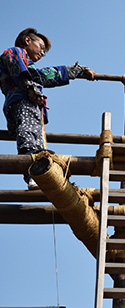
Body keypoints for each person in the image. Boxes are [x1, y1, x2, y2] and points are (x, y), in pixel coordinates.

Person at [0, 28, 96, 189]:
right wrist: (31, 88)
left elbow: (49, 74)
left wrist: (79, 71)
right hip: (23, 102)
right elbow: (20, 71)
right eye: (41, 47)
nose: (43, 53)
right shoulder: (14, 53)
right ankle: (32, 174)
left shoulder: (31, 71)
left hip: (29, 106)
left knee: (37, 143)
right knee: (29, 138)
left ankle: (40, 175)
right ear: (27, 41)